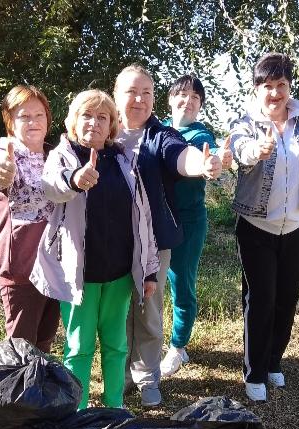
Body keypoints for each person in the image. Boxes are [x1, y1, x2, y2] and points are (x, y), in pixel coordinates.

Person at [29, 89, 159, 409]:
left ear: (113, 125)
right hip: (79, 278)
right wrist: (75, 179)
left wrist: (150, 268)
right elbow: (51, 185)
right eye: (87, 115)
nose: (94, 123)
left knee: (116, 346)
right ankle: (79, 412)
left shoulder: (125, 159)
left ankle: (115, 408)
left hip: (119, 275)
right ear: (73, 120)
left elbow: (143, 217)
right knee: (79, 347)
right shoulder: (63, 156)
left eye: (103, 117)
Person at [113, 64, 222, 407]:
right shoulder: (103, 131)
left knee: (148, 309)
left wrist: (202, 164)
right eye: (132, 91)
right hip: (110, 240)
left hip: (153, 243)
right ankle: (119, 374)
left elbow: (180, 155)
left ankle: (147, 377)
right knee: (116, 310)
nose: (140, 99)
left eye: (147, 92)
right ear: (116, 96)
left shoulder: (160, 134)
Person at [229, 53, 299, 402]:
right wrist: (256, 150)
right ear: (257, 90)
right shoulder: (246, 123)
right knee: (260, 299)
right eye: (267, 87)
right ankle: (254, 371)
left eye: (281, 85)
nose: (275, 93)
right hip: (256, 226)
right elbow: (240, 150)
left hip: (298, 227)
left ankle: (273, 361)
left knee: (286, 298)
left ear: (290, 87)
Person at [159, 75, 233, 377]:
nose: (187, 101)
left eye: (195, 98)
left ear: (200, 106)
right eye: (182, 94)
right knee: (148, 284)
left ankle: (177, 347)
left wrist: (214, 163)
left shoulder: (199, 134)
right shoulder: (158, 128)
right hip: (152, 220)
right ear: (170, 99)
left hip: (188, 222)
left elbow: (208, 158)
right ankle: (145, 344)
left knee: (181, 284)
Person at [0, 85, 59, 352]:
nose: (33, 122)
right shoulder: (1, 153)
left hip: (54, 264)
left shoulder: (55, 154)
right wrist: (3, 172)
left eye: (39, 115)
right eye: (24, 116)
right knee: (22, 346)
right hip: (21, 268)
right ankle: (19, 394)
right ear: (10, 121)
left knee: (45, 339)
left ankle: (39, 390)